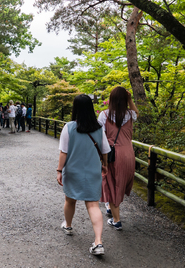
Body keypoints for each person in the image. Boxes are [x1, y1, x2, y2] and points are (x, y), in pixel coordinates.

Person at [57, 94, 110, 256]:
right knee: (93, 205)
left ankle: (68, 225)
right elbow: (105, 150)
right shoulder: (99, 128)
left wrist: (59, 170)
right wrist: (105, 165)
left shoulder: (69, 127)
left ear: (75, 108)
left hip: (73, 170)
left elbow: (63, 152)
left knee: (70, 199)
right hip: (93, 171)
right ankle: (98, 242)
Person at [98, 87, 139, 231]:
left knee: (111, 183)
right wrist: (129, 99)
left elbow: (100, 138)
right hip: (129, 154)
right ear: (125, 100)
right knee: (119, 182)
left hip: (112, 154)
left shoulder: (104, 115)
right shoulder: (129, 114)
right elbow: (136, 113)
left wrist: (101, 158)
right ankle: (110, 207)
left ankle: (117, 221)